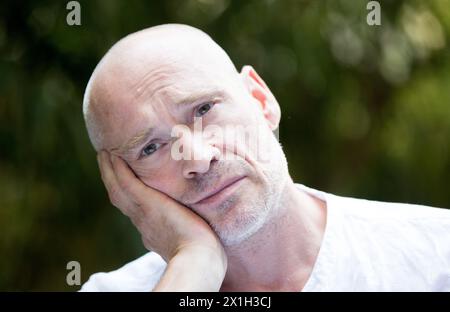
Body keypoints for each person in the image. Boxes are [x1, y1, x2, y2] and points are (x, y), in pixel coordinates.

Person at [80, 24, 450, 291]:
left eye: (204, 109)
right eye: (150, 147)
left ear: (261, 101)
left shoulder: (437, 255)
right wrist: (194, 263)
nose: (198, 158)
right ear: (121, 185)